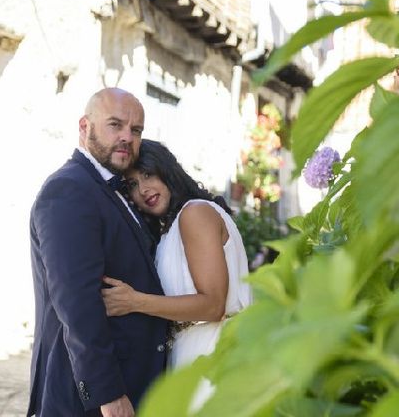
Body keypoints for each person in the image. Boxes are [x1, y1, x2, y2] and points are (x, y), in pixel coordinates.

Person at [28, 89, 168, 417]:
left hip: (133, 381)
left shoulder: (112, 188)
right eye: (115, 125)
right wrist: (107, 394)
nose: (126, 138)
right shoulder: (68, 190)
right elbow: (76, 302)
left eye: (136, 131)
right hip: (89, 398)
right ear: (84, 126)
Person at [101, 139, 253, 374]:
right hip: (192, 354)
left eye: (148, 174)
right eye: (132, 184)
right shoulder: (169, 230)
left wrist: (134, 301)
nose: (143, 190)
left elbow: (214, 305)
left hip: (214, 355)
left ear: (167, 171)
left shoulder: (195, 213)